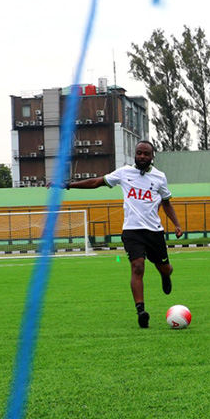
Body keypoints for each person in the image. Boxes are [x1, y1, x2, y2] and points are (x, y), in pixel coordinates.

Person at [49, 140, 183, 328]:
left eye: (146, 153)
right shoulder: (124, 173)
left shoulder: (160, 177)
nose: (142, 156)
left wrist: (176, 224)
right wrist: (68, 185)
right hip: (131, 230)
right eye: (139, 153)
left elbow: (166, 202)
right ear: (135, 155)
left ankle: (165, 275)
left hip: (154, 232)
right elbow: (97, 182)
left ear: (152, 156)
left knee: (165, 268)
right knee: (137, 267)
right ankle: (141, 311)